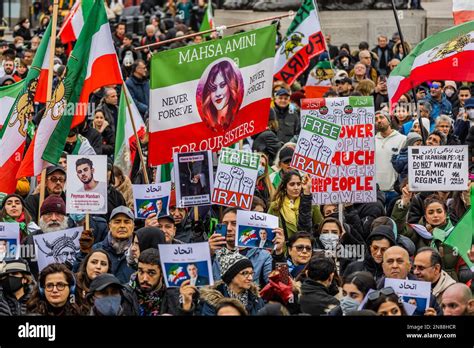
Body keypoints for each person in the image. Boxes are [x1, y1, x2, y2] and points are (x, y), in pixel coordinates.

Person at [209, 207, 273, 287]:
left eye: (234, 223)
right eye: (225, 224)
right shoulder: (213, 253)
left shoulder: (262, 255)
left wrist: (279, 253)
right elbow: (200, 286)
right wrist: (207, 255)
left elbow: (275, 286)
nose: (228, 228)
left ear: (245, 226)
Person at [199, 248, 264, 315]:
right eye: (245, 273)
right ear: (231, 276)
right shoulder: (212, 301)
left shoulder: (256, 300)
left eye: (251, 273)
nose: (250, 278)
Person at [380, 246, 441, 315]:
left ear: (409, 266)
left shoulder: (426, 294)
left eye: (400, 261)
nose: (394, 265)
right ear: (383, 267)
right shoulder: (375, 291)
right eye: (390, 261)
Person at [83, 206, 136, 283]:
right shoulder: (97, 249)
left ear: (133, 226)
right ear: (109, 225)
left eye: (127, 222)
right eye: (117, 222)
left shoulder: (138, 251)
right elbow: (81, 275)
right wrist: (83, 253)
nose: (122, 226)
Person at [268, 170, 323, 240]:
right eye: (292, 184)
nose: (296, 188)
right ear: (285, 187)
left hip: (305, 247)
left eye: (299, 184)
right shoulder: (276, 206)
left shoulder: (310, 203)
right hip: (285, 248)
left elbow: (320, 226)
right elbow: (269, 229)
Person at [127, 248, 180, 315]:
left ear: (162, 273)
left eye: (151, 273)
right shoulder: (126, 293)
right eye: (141, 271)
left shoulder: (172, 295)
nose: (145, 278)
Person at [375, 110, 406, 207]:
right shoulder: (370, 141)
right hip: (376, 192)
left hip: (394, 191)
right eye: (375, 119)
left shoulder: (402, 139)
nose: (378, 121)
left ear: (389, 120)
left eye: (381, 117)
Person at [201, 60, 243, 132]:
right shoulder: (207, 122)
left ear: (231, 85)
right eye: (213, 88)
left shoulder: (239, 116)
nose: (218, 93)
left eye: (222, 85)